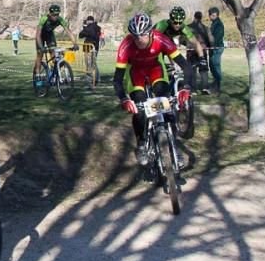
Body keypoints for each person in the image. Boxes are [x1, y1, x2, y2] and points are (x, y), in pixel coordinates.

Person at [113, 12, 191, 166]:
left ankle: (174, 147)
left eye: (142, 35)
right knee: (140, 108)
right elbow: (117, 79)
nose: (139, 39)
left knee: (166, 103)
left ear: (150, 32)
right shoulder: (126, 45)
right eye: (135, 36)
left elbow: (186, 66)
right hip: (135, 73)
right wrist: (124, 99)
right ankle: (141, 145)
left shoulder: (161, 40)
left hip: (156, 69)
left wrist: (185, 87)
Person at [32, 4, 79, 77]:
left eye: (57, 15)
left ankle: (53, 72)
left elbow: (69, 32)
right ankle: (37, 74)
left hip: (49, 35)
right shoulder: (44, 19)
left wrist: (75, 43)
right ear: (50, 14)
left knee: (54, 54)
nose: (56, 17)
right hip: (40, 36)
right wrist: (41, 46)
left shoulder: (60, 20)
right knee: (40, 54)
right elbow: (38, 34)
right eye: (54, 15)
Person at [187, 11, 212, 94]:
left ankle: (193, 89)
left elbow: (182, 39)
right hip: (202, 50)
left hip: (191, 51)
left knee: (192, 69)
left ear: (194, 17)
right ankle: (205, 88)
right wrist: (208, 45)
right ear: (201, 18)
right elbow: (211, 40)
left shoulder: (187, 28)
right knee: (203, 69)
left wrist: (188, 44)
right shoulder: (206, 28)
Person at [79, 15, 102, 87]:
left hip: (88, 47)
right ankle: (97, 78)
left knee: (88, 64)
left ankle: (89, 79)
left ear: (89, 21)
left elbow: (81, 35)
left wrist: (84, 28)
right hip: (95, 47)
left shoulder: (88, 27)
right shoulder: (98, 27)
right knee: (94, 63)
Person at [208, 7, 225, 93]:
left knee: (215, 65)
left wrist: (212, 46)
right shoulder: (214, 23)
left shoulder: (218, 24)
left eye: (212, 15)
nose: (210, 17)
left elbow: (218, 37)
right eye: (210, 15)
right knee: (212, 65)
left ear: (215, 15)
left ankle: (217, 85)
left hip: (217, 48)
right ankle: (215, 82)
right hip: (214, 48)